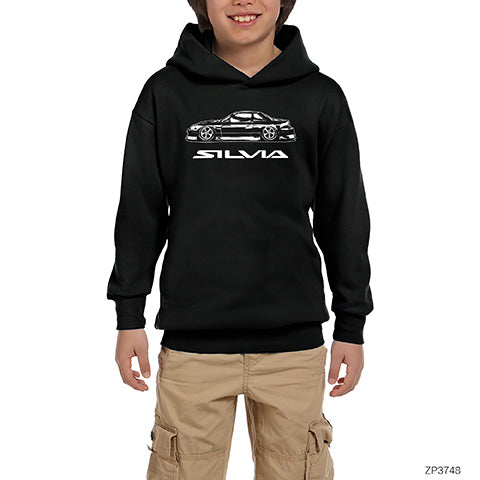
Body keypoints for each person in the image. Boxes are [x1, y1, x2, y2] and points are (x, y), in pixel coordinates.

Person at [107, 1, 374, 478]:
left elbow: (344, 217)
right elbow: (140, 212)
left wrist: (351, 325)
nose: (243, 1)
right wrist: (129, 315)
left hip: (294, 348)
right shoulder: (165, 93)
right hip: (192, 345)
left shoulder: (320, 96)